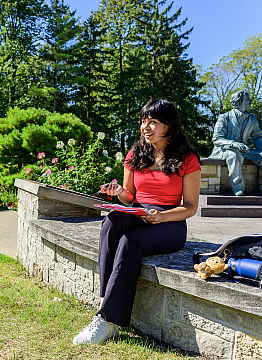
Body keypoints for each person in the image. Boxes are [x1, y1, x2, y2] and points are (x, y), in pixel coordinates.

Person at [73, 99, 201, 345]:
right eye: (143, 121)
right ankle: (106, 302)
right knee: (111, 222)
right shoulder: (136, 153)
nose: (146, 127)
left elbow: (191, 207)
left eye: (153, 122)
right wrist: (118, 191)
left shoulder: (188, 159)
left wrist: (162, 216)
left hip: (170, 221)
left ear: (169, 126)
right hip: (140, 212)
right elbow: (130, 197)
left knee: (130, 241)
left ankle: (109, 321)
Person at [208, 90, 262, 197]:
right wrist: (234, 144)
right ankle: (238, 187)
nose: (250, 101)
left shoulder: (252, 118)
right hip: (226, 150)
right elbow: (217, 139)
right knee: (234, 155)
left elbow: (257, 136)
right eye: (247, 99)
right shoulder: (224, 117)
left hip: (245, 151)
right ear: (238, 101)